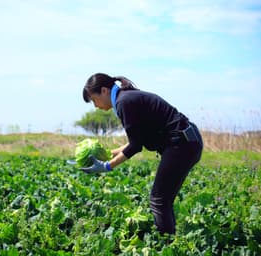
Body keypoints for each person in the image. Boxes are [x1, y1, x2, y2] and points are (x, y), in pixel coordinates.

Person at [80, 73, 203, 235]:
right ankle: (170, 240)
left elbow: (136, 146)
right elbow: (138, 139)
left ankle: (167, 245)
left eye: (94, 100)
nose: (95, 106)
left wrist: (106, 166)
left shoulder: (124, 102)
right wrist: (107, 155)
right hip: (186, 142)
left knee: (158, 200)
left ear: (104, 91)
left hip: (181, 144)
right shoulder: (125, 99)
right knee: (163, 200)